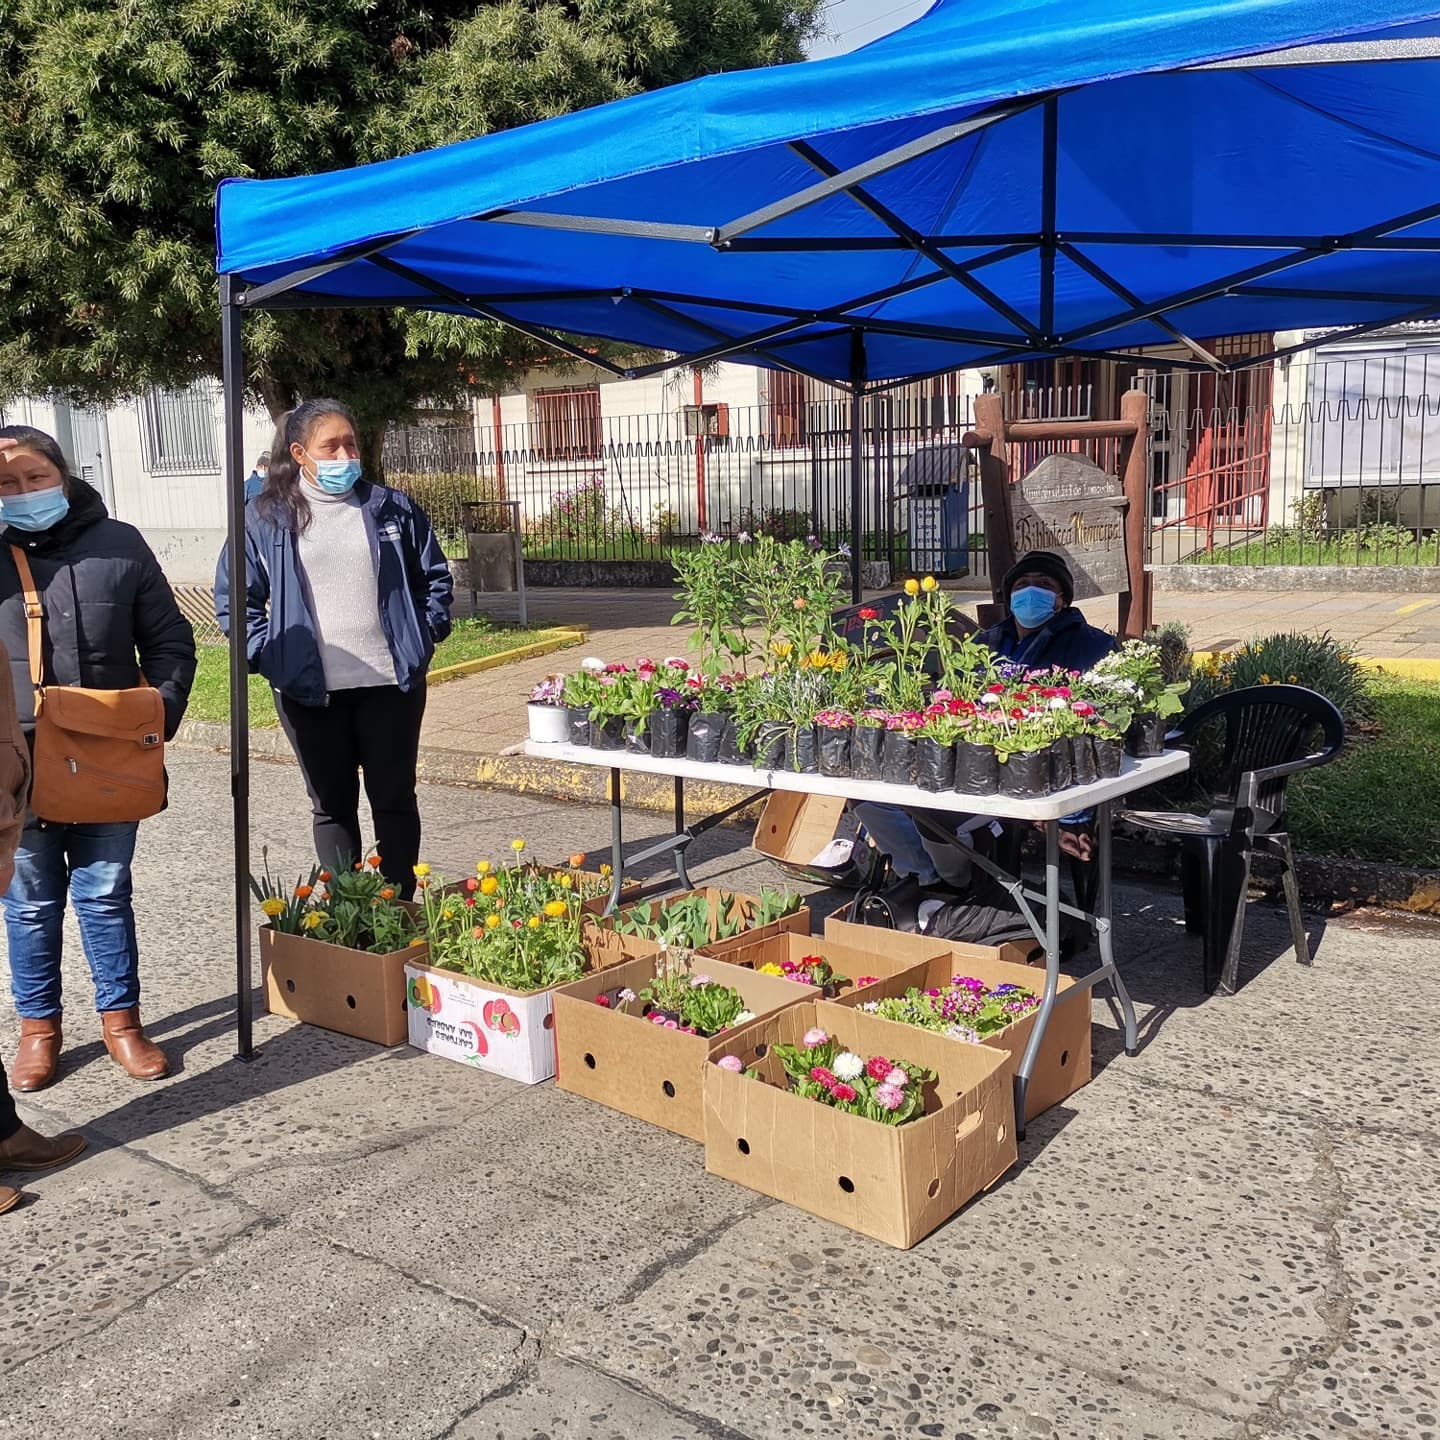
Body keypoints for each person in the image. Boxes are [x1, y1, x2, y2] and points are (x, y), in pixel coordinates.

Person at [0, 426, 197, 1092]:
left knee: (106, 893)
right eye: (7, 484)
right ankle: (39, 1031)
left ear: (64, 475)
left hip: (109, 760)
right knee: (28, 903)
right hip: (15, 764)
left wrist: (155, 719)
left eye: (35, 478)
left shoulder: (120, 543)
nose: (24, 493)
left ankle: (122, 1023)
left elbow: (171, 640)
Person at [215, 398, 453, 898]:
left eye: (351, 443)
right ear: (300, 453)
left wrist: (424, 636)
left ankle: (396, 903)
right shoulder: (265, 517)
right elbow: (238, 601)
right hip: (309, 690)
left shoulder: (391, 507)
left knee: (393, 797)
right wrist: (268, 654)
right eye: (331, 446)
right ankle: (351, 907)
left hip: (390, 685)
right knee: (331, 804)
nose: (345, 455)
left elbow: (433, 577)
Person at [854, 551, 1118, 889]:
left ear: (1062, 598)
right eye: (1022, 584)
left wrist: (1072, 814)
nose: (1031, 591)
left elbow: (1098, 735)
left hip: (1033, 779)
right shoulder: (987, 642)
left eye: (1044, 584)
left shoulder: (1092, 646)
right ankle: (923, 879)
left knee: (937, 817)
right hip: (971, 764)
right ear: (1010, 598)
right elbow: (952, 698)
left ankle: (957, 885)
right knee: (869, 799)